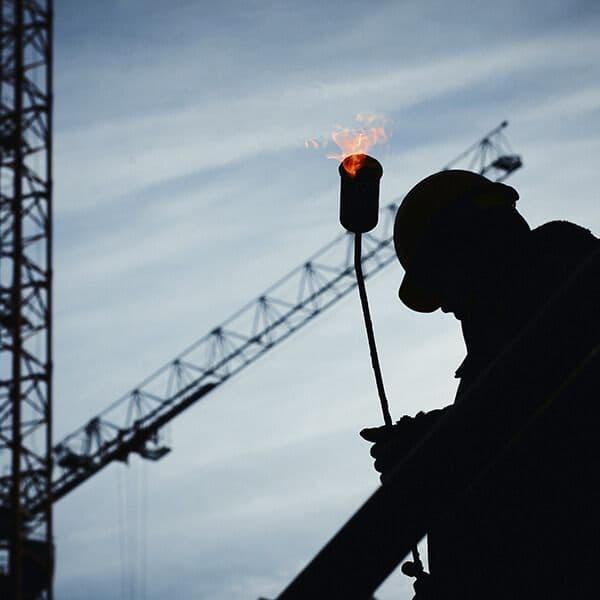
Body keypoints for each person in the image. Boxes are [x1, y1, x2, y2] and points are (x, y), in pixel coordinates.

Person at [360, 170, 600, 599]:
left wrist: (436, 442)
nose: (445, 306)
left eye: (441, 279)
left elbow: (546, 426)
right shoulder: (493, 370)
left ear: (471, 245)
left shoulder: (574, 285)